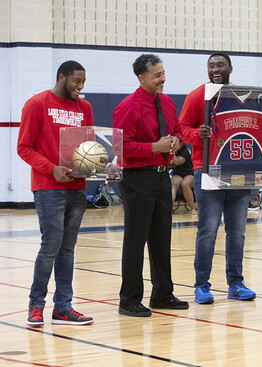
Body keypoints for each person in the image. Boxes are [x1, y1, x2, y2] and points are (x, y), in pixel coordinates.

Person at [17, 60, 94, 326]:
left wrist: (101, 166)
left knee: (68, 250)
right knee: (50, 247)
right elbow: (24, 147)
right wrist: (51, 169)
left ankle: (63, 307)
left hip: (77, 187)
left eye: (83, 82)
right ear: (62, 77)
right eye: (76, 81)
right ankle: (35, 305)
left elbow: (88, 147)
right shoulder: (37, 104)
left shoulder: (85, 107)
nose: (80, 87)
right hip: (49, 186)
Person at [113, 54, 189, 317]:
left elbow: (178, 130)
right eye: (157, 75)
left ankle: (163, 294)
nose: (163, 79)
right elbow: (120, 147)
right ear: (142, 77)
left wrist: (177, 141)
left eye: (163, 73)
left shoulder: (167, 102)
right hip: (137, 179)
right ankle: (129, 300)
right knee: (135, 241)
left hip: (161, 176)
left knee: (161, 238)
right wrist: (152, 147)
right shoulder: (127, 106)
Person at [179, 51, 256, 304]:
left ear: (230, 68)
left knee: (238, 233)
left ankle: (236, 283)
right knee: (208, 231)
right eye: (211, 65)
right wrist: (196, 134)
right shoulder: (196, 96)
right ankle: (201, 285)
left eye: (220, 64)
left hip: (239, 170)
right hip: (207, 169)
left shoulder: (242, 95)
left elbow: (253, 125)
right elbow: (181, 130)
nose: (215, 69)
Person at [171, 145, 197, 214]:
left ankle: (193, 208)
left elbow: (178, 161)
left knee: (185, 184)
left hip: (189, 174)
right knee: (173, 184)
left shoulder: (185, 151)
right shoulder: (172, 151)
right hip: (177, 174)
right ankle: (168, 208)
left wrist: (170, 152)